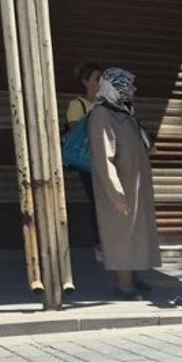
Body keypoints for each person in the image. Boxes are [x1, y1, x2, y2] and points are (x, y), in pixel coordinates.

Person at [87, 68, 160, 300]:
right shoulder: (102, 115)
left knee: (136, 233)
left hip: (135, 185)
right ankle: (123, 286)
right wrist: (116, 193)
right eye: (129, 85)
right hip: (120, 189)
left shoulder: (125, 112)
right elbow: (103, 157)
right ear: (117, 87)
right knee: (120, 235)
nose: (134, 90)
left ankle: (135, 277)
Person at [66, 63, 102, 259]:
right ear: (85, 82)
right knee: (97, 200)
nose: (100, 83)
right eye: (97, 79)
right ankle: (99, 243)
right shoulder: (77, 105)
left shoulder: (106, 103)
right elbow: (75, 132)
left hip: (107, 159)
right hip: (88, 161)